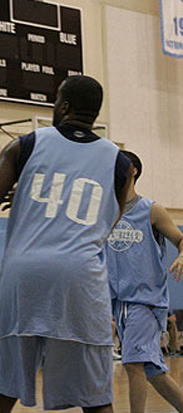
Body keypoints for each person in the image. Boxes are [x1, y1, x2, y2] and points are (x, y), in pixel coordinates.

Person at [0, 75, 133, 413]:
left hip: (24, 278)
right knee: (97, 400)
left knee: (5, 389)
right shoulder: (119, 161)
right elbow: (108, 220)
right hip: (80, 279)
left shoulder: (27, 144)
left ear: (63, 106)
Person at [106, 150, 183, 413]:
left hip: (145, 300)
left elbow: (181, 239)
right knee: (153, 371)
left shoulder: (151, 210)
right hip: (120, 302)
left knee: (133, 364)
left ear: (133, 170)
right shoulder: (106, 212)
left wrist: (182, 255)